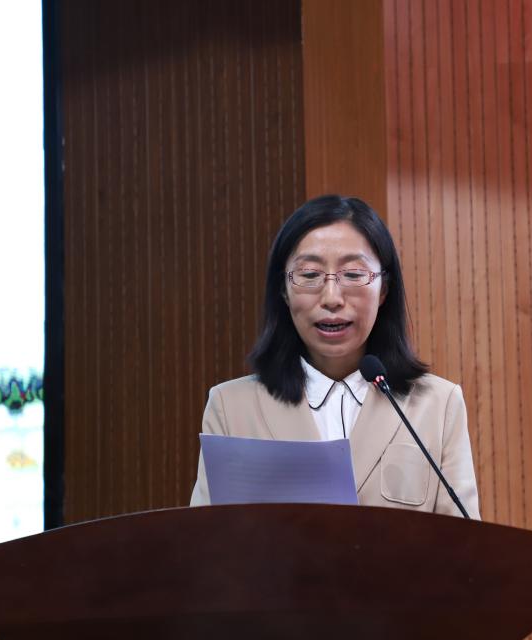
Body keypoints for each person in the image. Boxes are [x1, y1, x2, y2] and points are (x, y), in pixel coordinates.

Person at [189, 195, 480, 519]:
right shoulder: (231, 407)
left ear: (384, 289)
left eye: (353, 274)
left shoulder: (438, 405)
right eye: (309, 274)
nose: (331, 298)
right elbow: (206, 540)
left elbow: (464, 542)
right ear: (283, 289)